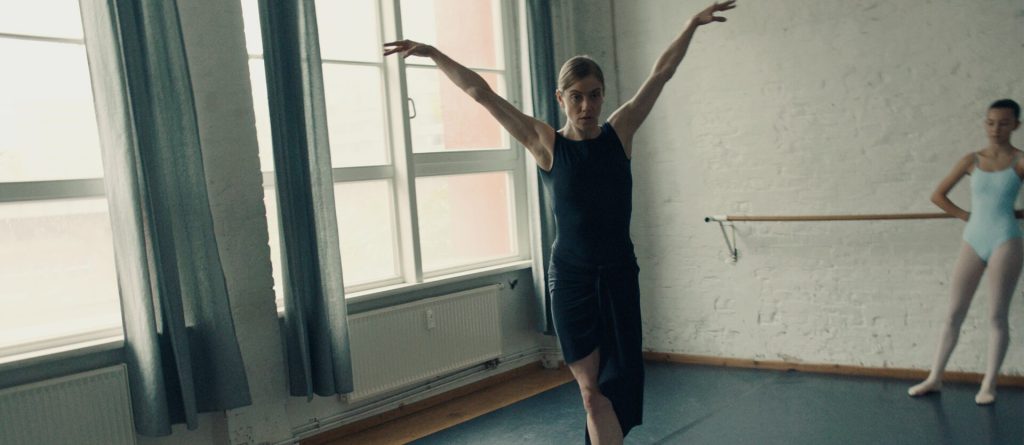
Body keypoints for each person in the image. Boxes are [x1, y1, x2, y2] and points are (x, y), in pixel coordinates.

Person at [384, 1, 736, 442]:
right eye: (576, 96)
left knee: (617, 387)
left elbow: (660, 74)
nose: (585, 105)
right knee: (591, 394)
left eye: (593, 95)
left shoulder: (620, 132)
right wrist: (435, 53)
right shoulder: (545, 143)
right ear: (561, 98)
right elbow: (482, 94)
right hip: (571, 279)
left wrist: (690, 25)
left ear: (602, 95)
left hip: (619, 276)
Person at [909, 98, 1022, 405]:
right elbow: (938, 195)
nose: (995, 129)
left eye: (1003, 123)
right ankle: (935, 377)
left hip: (1006, 240)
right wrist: (965, 215)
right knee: (953, 313)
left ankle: (989, 384)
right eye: (990, 122)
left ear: (1016, 126)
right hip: (973, 238)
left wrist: (1016, 213)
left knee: (997, 315)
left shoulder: (1020, 161)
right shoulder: (971, 160)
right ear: (985, 123)